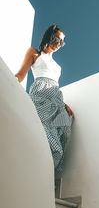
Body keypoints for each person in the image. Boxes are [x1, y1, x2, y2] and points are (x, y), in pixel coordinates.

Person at [15, 24, 74, 180]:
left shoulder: (58, 66)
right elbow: (21, 74)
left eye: (62, 42)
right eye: (56, 39)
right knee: (45, 135)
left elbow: (55, 85)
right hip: (40, 96)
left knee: (65, 133)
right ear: (49, 36)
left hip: (57, 100)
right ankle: (37, 176)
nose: (58, 44)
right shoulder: (34, 52)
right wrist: (10, 81)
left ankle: (46, 177)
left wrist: (64, 104)